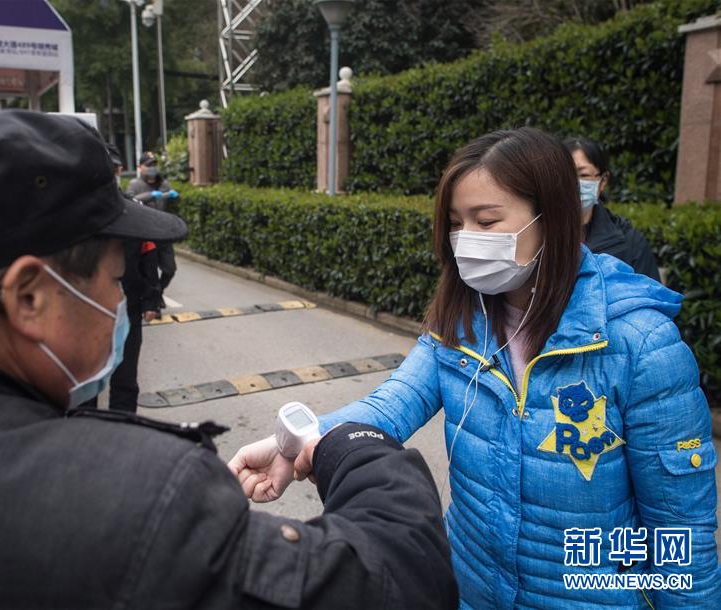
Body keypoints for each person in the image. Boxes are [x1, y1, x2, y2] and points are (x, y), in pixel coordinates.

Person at [0, 110, 458, 609]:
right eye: (112, 279)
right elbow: (394, 576)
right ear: (29, 297)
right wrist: (345, 444)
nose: (119, 301)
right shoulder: (141, 498)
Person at [231, 127, 720, 608]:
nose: (466, 240)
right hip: (468, 591)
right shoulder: (461, 320)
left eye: (486, 221)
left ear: (551, 217)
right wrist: (293, 444)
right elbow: (391, 405)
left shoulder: (640, 343)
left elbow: (681, 531)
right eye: (455, 223)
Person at [102, 143, 162, 411]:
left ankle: (123, 426)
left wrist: (151, 300)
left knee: (125, 379)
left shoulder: (134, 211)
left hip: (128, 308)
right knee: (85, 386)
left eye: (112, 168)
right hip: (86, 312)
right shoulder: (75, 215)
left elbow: (149, 257)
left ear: (119, 170)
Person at [564, 136, 660, 281]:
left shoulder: (630, 243)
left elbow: (650, 292)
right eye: (566, 175)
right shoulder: (536, 234)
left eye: (583, 175)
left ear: (603, 181)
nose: (574, 184)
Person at [126, 151, 178, 305]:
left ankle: (159, 292)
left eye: (154, 164)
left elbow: (174, 204)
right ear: (140, 167)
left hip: (164, 232)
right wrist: (150, 196)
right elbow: (130, 201)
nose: (152, 168)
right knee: (150, 272)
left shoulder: (163, 184)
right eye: (148, 165)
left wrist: (176, 197)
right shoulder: (135, 185)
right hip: (146, 234)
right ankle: (152, 301)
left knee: (169, 269)